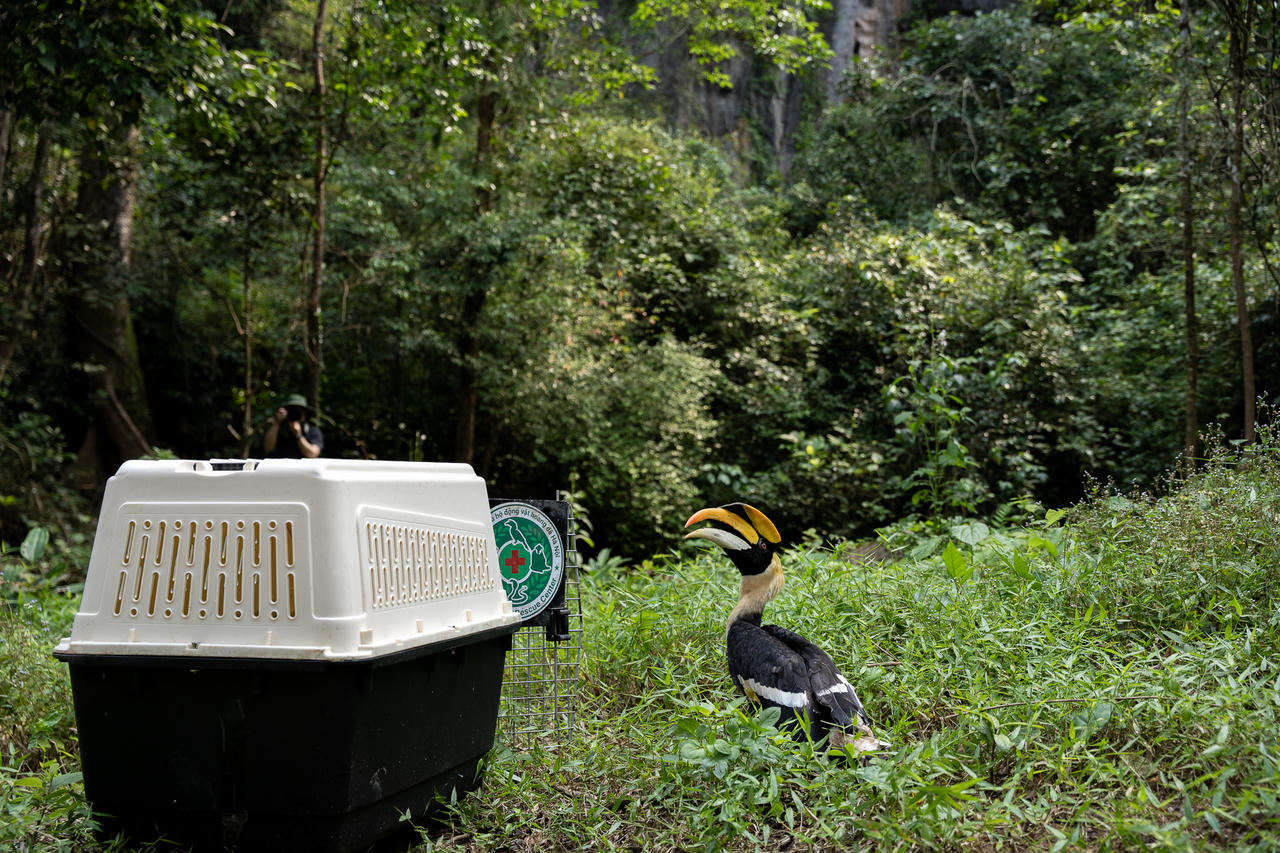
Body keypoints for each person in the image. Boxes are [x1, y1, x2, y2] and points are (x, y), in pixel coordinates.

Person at [264, 394, 324, 458]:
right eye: (292, 410)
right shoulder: (278, 429)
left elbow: (312, 454)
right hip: (280, 467)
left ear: (305, 413)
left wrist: (298, 435)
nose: (295, 413)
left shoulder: (313, 431)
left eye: (298, 411)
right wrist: (277, 423)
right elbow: (268, 449)